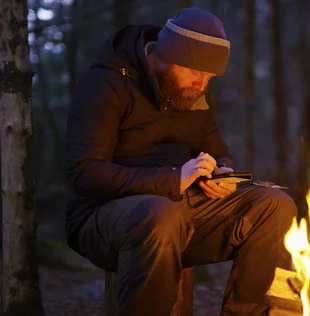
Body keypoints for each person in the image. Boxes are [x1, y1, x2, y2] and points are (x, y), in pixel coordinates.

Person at [64, 7, 297, 316]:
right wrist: (174, 177)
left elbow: (217, 150)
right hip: (104, 218)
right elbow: (83, 172)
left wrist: (217, 173)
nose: (201, 85)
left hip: (182, 212)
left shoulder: (193, 93)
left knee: (275, 205)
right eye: (195, 74)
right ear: (166, 56)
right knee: (161, 214)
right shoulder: (107, 83)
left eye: (209, 78)